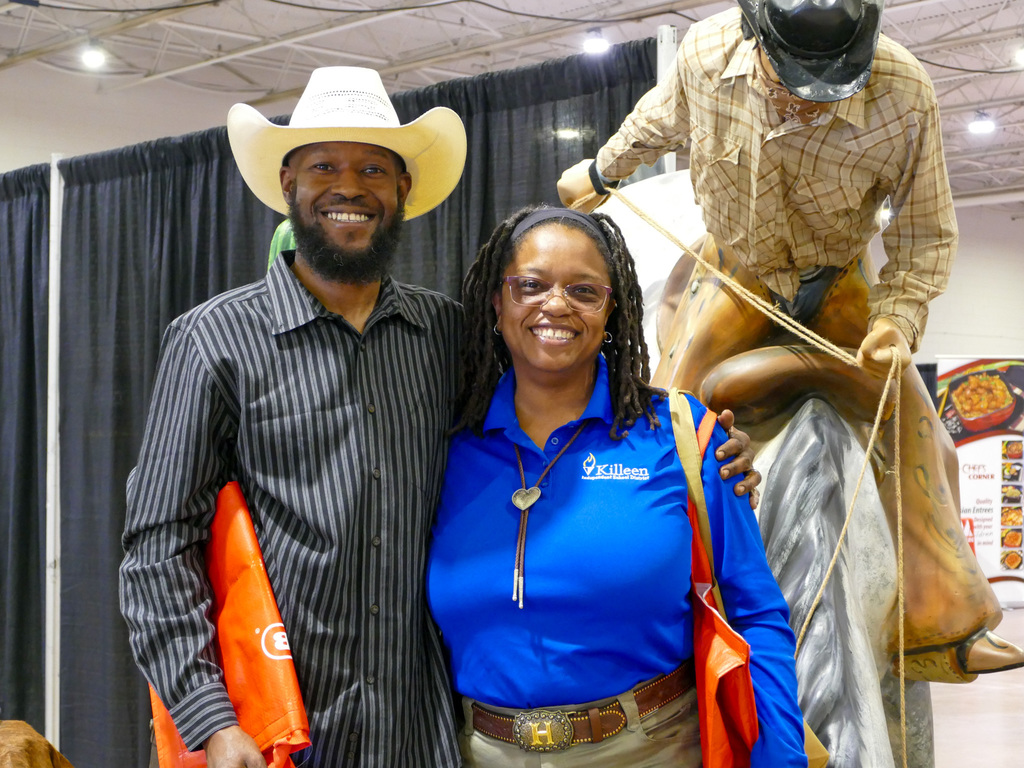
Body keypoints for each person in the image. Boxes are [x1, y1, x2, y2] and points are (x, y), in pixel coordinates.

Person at [119, 67, 759, 768]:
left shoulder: (450, 339)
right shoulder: (212, 343)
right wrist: (211, 720)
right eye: (324, 165)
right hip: (275, 734)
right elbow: (156, 552)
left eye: (373, 169)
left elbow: (564, 386)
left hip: (423, 737)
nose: (350, 187)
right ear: (287, 186)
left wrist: (696, 440)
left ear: (402, 193)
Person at [557, 0, 1024, 681]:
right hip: (733, 270)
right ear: (756, 39)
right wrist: (602, 171)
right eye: (792, 77)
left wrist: (896, 323)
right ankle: (644, 607)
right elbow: (661, 117)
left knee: (917, 424)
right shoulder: (706, 52)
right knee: (668, 421)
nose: (806, 100)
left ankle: (941, 621)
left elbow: (924, 234)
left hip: (835, 280)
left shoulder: (905, 91)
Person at [427, 205, 807, 766]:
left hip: (650, 747)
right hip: (475, 750)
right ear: (495, 299)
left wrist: (781, 758)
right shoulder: (446, 441)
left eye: (584, 291)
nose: (555, 305)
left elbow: (756, 612)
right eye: (530, 285)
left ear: (612, 309)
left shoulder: (681, 436)